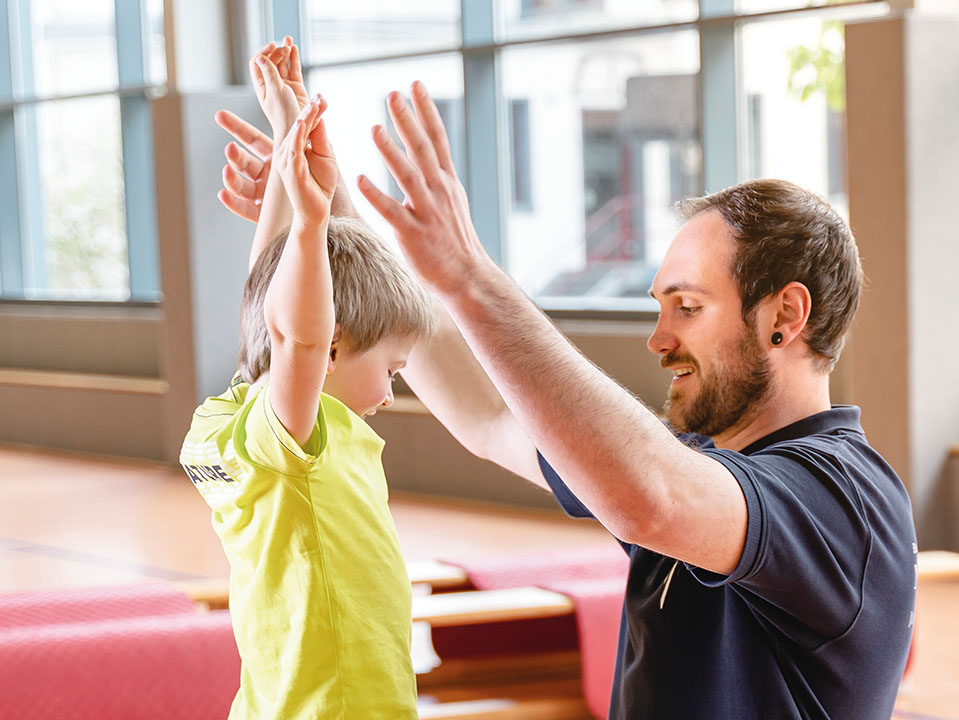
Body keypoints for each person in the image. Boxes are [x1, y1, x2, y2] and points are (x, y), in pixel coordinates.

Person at [215, 82, 916, 719]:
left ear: (784, 317)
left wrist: (470, 278)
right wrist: (330, 223)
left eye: (688, 307)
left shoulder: (840, 498)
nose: (659, 339)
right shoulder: (701, 466)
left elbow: (652, 495)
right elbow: (490, 414)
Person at [182, 41, 428, 719]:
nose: (390, 394)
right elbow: (296, 335)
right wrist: (312, 219)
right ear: (333, 351)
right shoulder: (292, 437)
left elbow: (265, 292)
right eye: (391, 371)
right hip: (338, 706)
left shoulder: (238, 418)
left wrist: (290, 127)